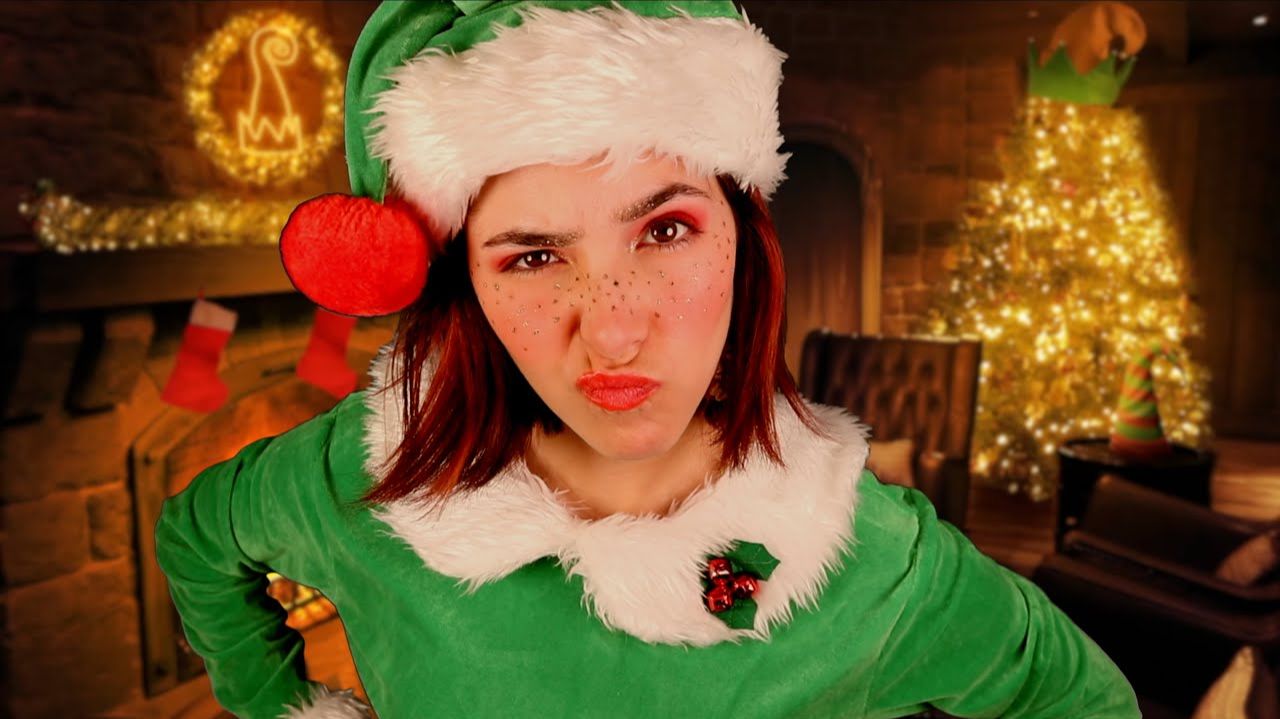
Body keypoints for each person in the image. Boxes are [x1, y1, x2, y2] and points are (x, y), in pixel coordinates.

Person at [154, 2, 1142, 718]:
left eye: (665, 230)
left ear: (743, 238)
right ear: (468, 285)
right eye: (533, 257)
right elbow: (197, 536)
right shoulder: (361, 481)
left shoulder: (874, 563)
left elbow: (1078, 698)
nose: (615, 333)